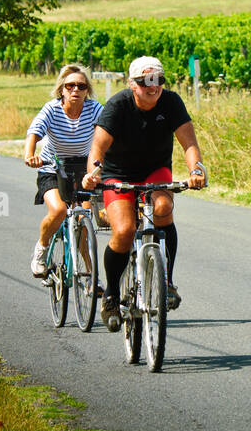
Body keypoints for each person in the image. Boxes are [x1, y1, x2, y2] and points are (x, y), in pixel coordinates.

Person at [82, 56, 206, 332]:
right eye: (144, 81)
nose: (152, 87)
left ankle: (167, 282)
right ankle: (112, 296)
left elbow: (188, 143)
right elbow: (97, 150)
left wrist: (196, 170)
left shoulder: (172, 102)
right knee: (125, 230)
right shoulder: (118, 105)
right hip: (118, 174)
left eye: (158, 80)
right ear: (131, 84)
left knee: (163, 208)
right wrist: (93, 174)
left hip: (155, 170)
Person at [24, 64, 103, 281]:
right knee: (59, 210)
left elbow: (109, 131)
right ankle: (41, 250)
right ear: (62, 90)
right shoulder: (52, 109)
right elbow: (35, 132)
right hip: (52, 168)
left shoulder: (95, 109)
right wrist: (30, 154)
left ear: (87, 90)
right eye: (70, 86)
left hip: (83, 171)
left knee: (85, 220)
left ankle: (90, 277)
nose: (75, 90)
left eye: (81, 86)